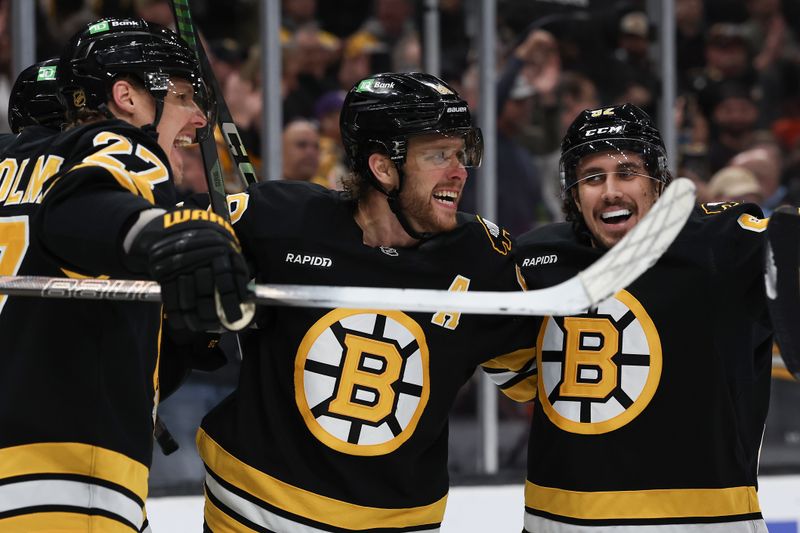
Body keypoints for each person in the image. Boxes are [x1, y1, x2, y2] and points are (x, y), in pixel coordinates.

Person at [195, 72, 536, 532]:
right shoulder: (279, 218)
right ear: (382, 168)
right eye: (438, 155)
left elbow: (544, 380)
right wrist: (205, 262)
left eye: (460, 153)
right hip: (254, 508)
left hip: (395, 521)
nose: (459, 171)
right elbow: (174, 233)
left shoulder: (482, 259)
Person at [0, 18, 251, 532]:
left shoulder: (9, 162)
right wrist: (161, 234)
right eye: (184, 97)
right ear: (126, 97)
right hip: (61, 478)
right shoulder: (121, 146)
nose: (200, 119)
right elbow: (76, 215)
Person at [507, 103, 773, 532]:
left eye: (627, 172)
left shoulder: (720, 245)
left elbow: (783, 248)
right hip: (564, 524)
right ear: (574, 194)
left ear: (656, 183)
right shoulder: (536, 260)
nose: (611, 190)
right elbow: (517, 377)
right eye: (593, 178)